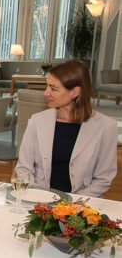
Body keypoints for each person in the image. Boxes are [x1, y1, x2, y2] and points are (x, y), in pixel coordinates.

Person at [15, 60, 117, 197]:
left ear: (75, 92)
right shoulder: (37, 120)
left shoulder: (105, 127)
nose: (46, 93)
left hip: (81, 205)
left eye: (53, 88)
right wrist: (39, 198)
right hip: (40, 201)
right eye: (47, 86)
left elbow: (103, 178)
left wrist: (72, 205)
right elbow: (24, 168)